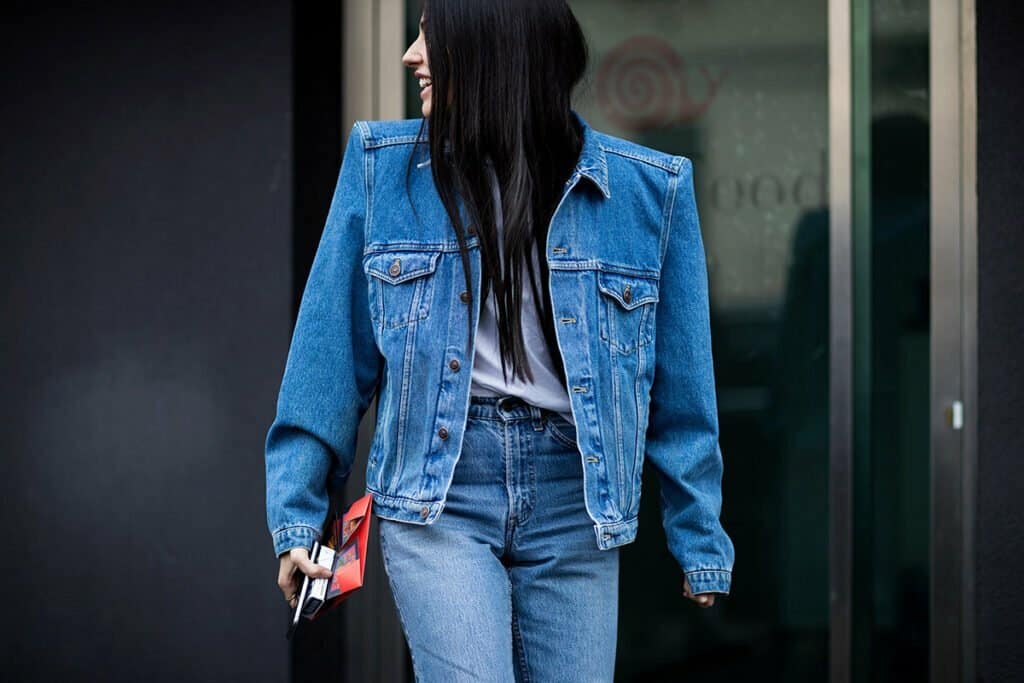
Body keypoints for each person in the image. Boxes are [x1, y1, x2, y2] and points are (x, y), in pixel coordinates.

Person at [267, 1, 734, 680]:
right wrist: (298, 516)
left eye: (432, 33)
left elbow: (683, 393)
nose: (410, 55)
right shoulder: (382, 167)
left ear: (493, 49)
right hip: (440, 489)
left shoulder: (650, 192)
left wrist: (699, 536)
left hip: (575, 497)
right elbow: (327, 360)